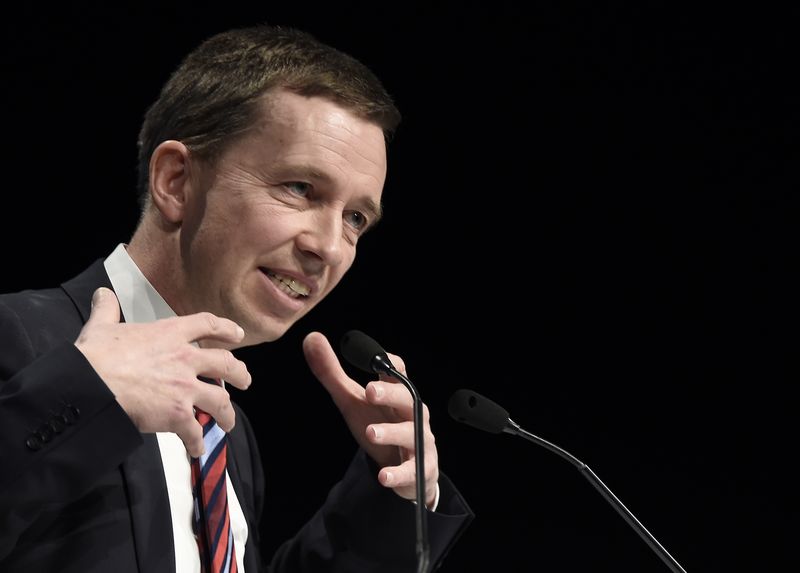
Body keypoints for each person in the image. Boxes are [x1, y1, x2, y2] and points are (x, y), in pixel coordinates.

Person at [0, 24, 474, 572]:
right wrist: (82, 397)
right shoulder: (17, 338)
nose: (328, 247)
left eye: (356, 219)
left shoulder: (228, 432)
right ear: (177, 181)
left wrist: (394, 500)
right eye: (300, 188)